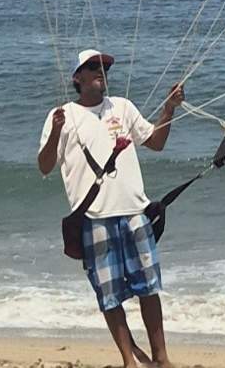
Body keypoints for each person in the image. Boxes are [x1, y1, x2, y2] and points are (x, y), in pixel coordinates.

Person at [36, 49, 184, 368]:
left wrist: (169, 109)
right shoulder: (62, 115)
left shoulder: (122, 107)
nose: (100, 71)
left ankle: (161, 358)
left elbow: (156, 142)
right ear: (77, 77)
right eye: (92, 67)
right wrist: (57, 132)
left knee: (148, 287)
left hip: (134, 211)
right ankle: (129, 360)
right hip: (94, 216)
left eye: (104, 67)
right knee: (110, 294)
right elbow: (45, 166)